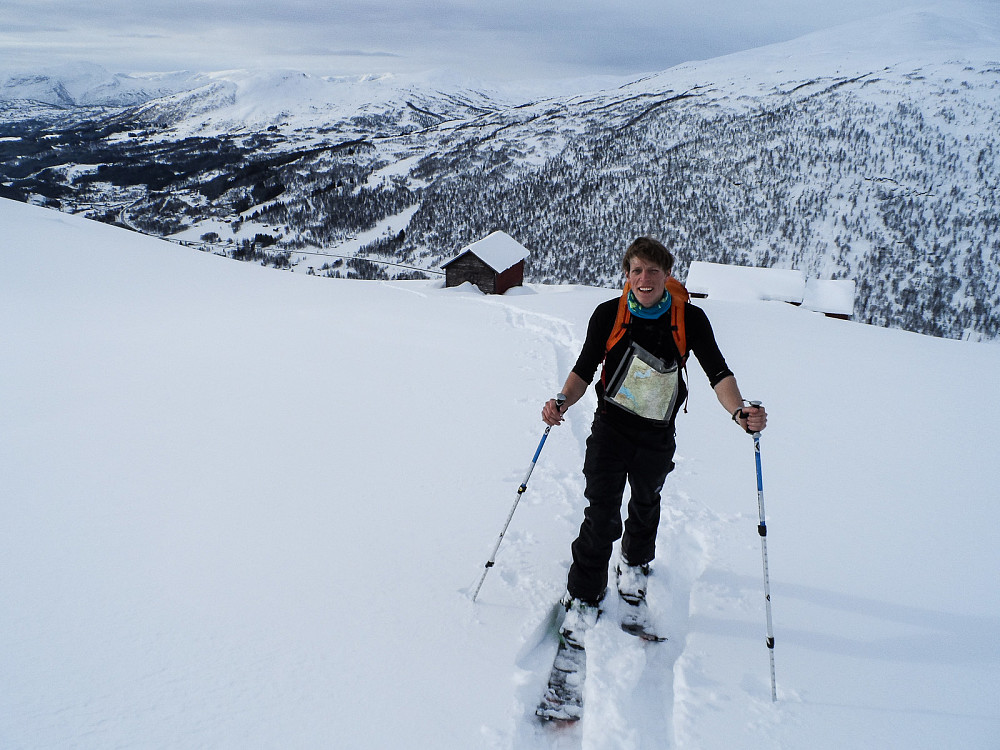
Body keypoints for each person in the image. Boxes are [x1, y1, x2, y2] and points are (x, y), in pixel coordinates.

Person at [541, 236, 767, 642]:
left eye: (653, 271)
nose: (644, 279)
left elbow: (718, 373)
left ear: (667, 275)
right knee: (601, 513)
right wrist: (561, 400)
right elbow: (584, 370)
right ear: (627, 275)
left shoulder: (689, 319)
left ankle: (635, 563)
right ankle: (584, 596)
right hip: (610, 426)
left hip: (657, 432)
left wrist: (738, 412)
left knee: (647, 501)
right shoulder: (608, 314)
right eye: (637, 270)